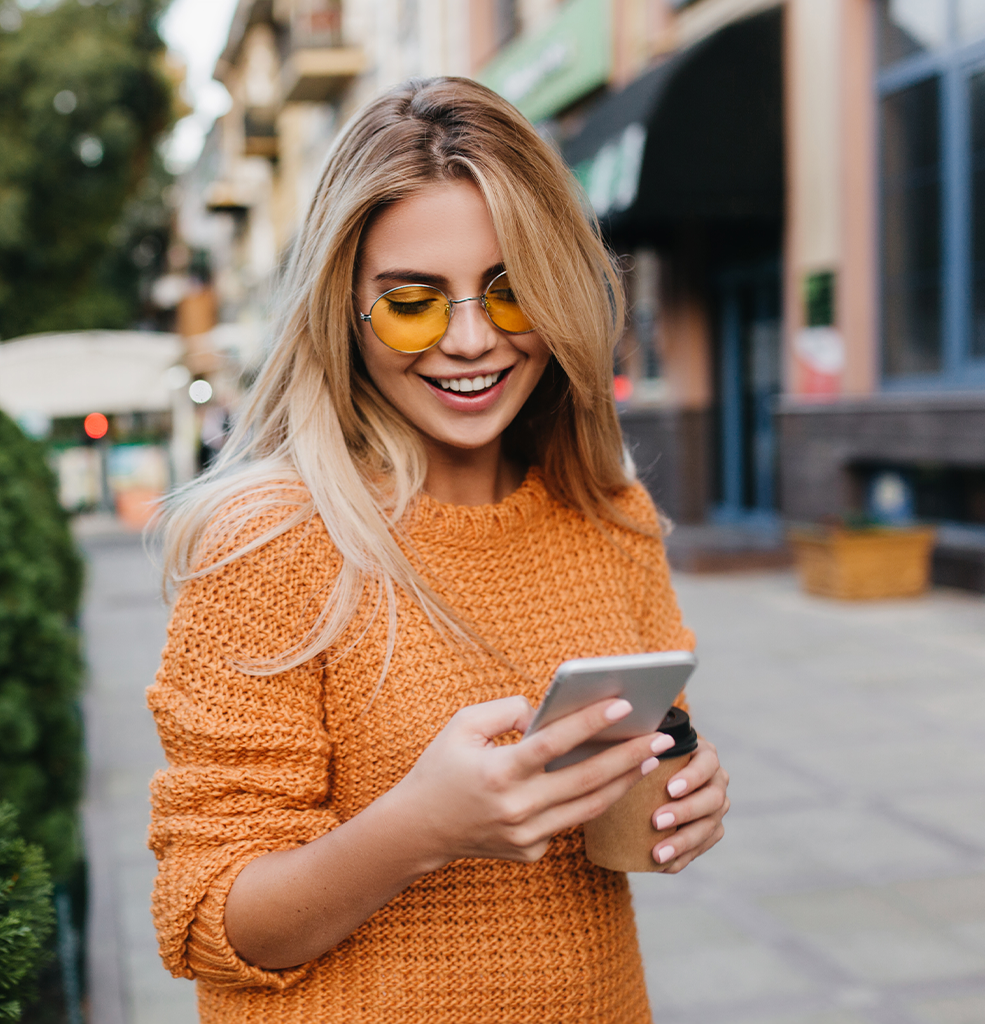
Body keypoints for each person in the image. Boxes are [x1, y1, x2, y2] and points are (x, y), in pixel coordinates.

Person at [148, 77, 729, 1024]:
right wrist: (418, 830)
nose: (470, 342)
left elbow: (645, 765)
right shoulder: (268, 543)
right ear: (344, 310)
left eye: (510, 293)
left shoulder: (609, 514)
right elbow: (206, 921)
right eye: (414, 302)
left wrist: (683, 803)